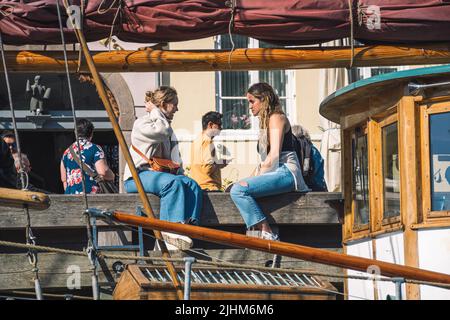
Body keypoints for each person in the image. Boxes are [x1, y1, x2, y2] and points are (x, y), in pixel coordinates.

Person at [123, 86, 203, 250]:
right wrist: (154, 111)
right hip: (137, 176)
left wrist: (183, 177)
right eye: (174, 104)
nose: (177, 108)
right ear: (163, 104)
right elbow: (162, 131)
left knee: (192, 185)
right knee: (173, 184)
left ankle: (186, 227)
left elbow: (175, 160)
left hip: (158, 175)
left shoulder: (167, 129)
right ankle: (169, 234)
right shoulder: (143, 123)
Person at [230, 83, 309, 240]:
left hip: (287, 171)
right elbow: (264, 163)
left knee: (238, 190)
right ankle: (260, 230)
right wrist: (245, 180)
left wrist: (247, 182)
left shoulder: (276, 118)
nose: (249, 107)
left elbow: (273, 157)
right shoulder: (266, 122)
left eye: (252, 101)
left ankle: (267, 232)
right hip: (277, 171)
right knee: (237, 187)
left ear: (264, 99)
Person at [60, 119, 115, 194]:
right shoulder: (95, 148)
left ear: (75, 133)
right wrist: (112, 175)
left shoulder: (66, 152)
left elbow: (64, 180)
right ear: (91, 134)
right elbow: (103, 171)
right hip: (91, 196)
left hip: (71, 198)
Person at [190, 111, 229, 191]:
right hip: (209, 188)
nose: (221, 128)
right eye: (219, 125)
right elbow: (207, 168)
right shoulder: (207, 141)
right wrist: (219, 163)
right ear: (210, 125)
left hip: (199, 186)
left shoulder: (198, 140)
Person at [291, 124, 328, 192]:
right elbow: (318, 177)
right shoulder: (313, 150)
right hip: (313, 189)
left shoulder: (289, 150)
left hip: (292, 189)